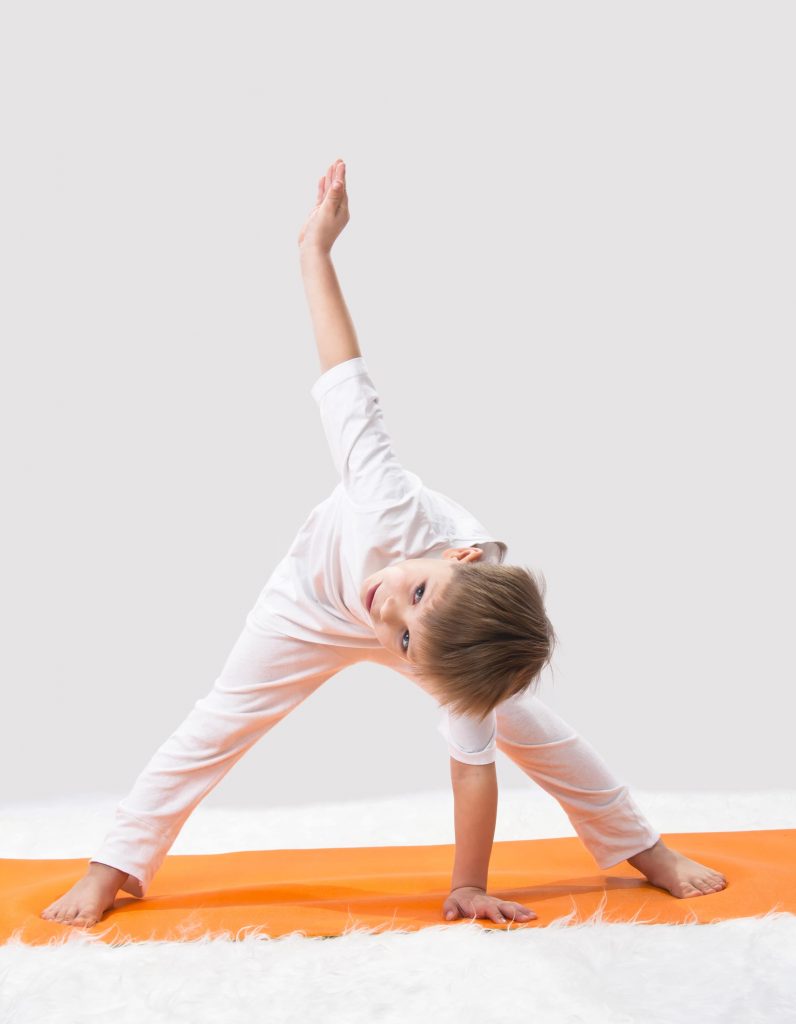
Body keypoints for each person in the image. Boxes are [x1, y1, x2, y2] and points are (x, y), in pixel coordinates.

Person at [41, 159, 727, 929]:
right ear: (460, 559)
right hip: (308, 599)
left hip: (448, 648)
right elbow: (345, 377)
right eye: (417, 595)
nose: (387, 609)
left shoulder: (448, 647)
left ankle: (644, 848)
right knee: (217, 722)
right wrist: (316, 252)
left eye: (402, 632)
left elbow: (473, 769)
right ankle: (113, 865)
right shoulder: (387, 506)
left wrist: (468, 885)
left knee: (535, 730)